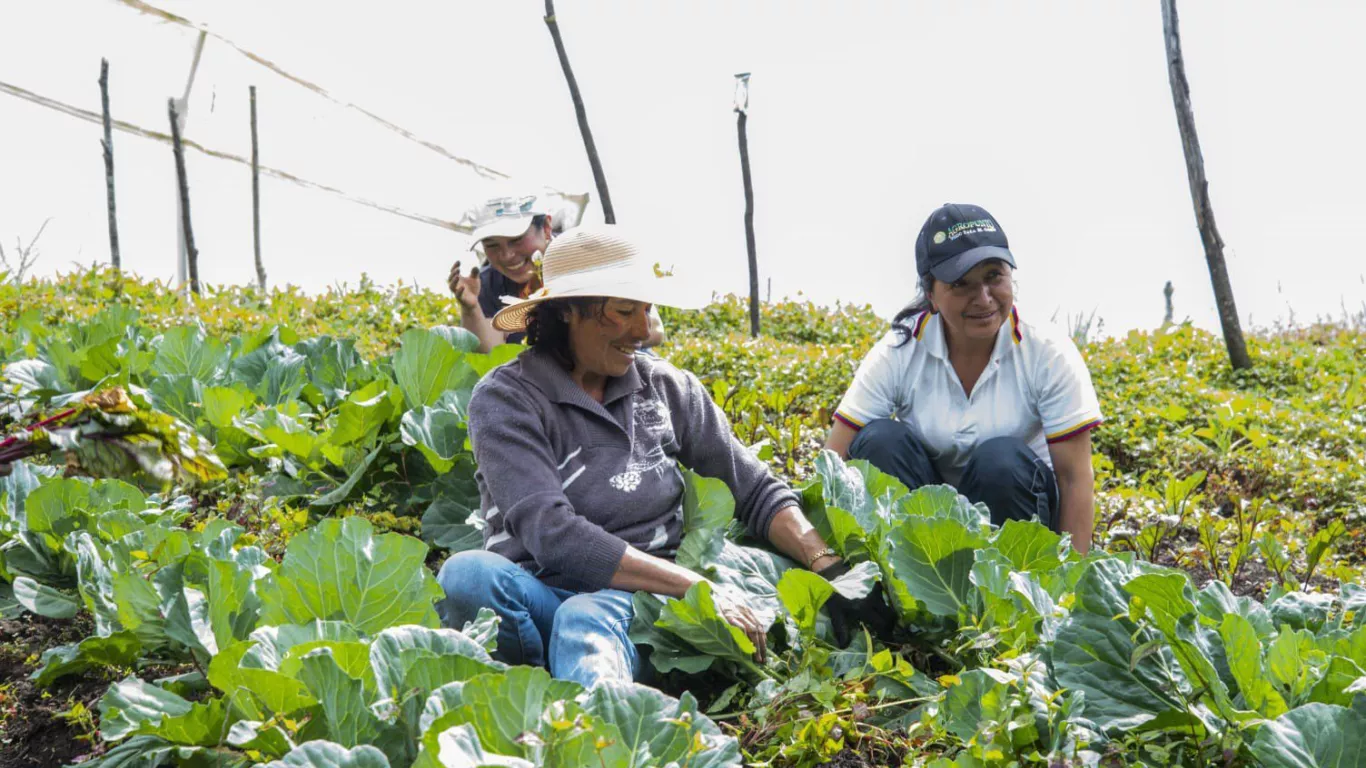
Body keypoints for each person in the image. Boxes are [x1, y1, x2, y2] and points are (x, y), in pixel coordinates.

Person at [436, 225, 890, 689]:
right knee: (467, 575)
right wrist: (697, 587)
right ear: (567, 312)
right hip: (543, 592)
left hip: (644, 599)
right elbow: (551, 533)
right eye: (624, 311)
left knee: (586, 618)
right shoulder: (506, 399)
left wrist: (826, 564)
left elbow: (753, 489)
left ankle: (588, 717)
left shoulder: (667, 388)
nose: (643, 330)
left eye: (647, 310)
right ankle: (559, 677)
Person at [824, 203, 1103, 553]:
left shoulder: (1047, 351)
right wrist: (818, 556)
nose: (983, 298)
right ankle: (896, 586)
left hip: (1015, 517)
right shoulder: (901, 348)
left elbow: (1075, 479)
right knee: (880, 440)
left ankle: (1011, 596)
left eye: (993, 276)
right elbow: (833, 461)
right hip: (925, 533)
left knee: (1000, 461)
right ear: (931, 296)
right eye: (961, 284)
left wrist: (1070, 588)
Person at [448, 193, 664, 352]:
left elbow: (654, 330)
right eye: (492, 245)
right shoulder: (488, 283)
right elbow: (491, 354)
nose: (506, 256)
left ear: (547, 227)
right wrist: (471, 308)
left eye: (516, 240)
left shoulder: (589, 258)